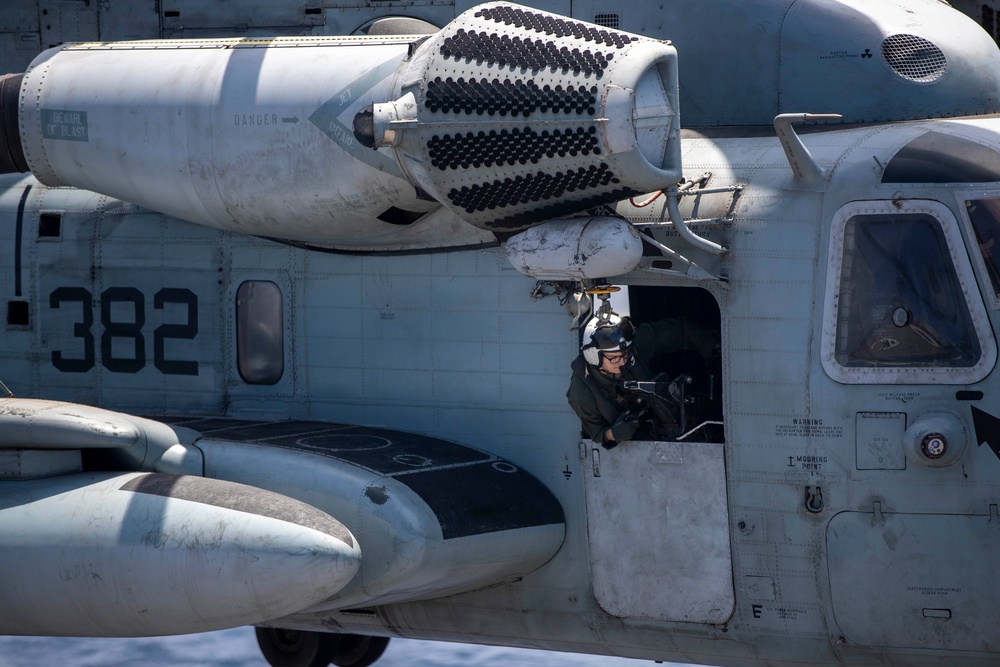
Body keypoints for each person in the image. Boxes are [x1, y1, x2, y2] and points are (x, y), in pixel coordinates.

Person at [566, 312, 718, 448]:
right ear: (594, 356)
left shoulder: (635, 345)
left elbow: (681, 330)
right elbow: (598, 434)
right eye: (614, 358)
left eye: (626, 355)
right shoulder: (581, 393)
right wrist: (613, 434)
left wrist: (715, 348)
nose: (623, 362)